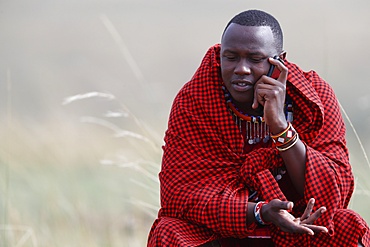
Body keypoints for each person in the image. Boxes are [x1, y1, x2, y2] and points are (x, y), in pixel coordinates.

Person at [147, 9, 370, 247]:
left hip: (299, 228)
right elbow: (178, 195)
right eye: (230, 57)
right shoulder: (195, 99)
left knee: (348, 226)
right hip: (223, 231)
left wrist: (279, 126)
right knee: (169, 231)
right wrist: (259, 212)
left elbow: (334, 192)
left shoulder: (314, 97)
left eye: (255, 59)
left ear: (279, 61)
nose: (241, 69)